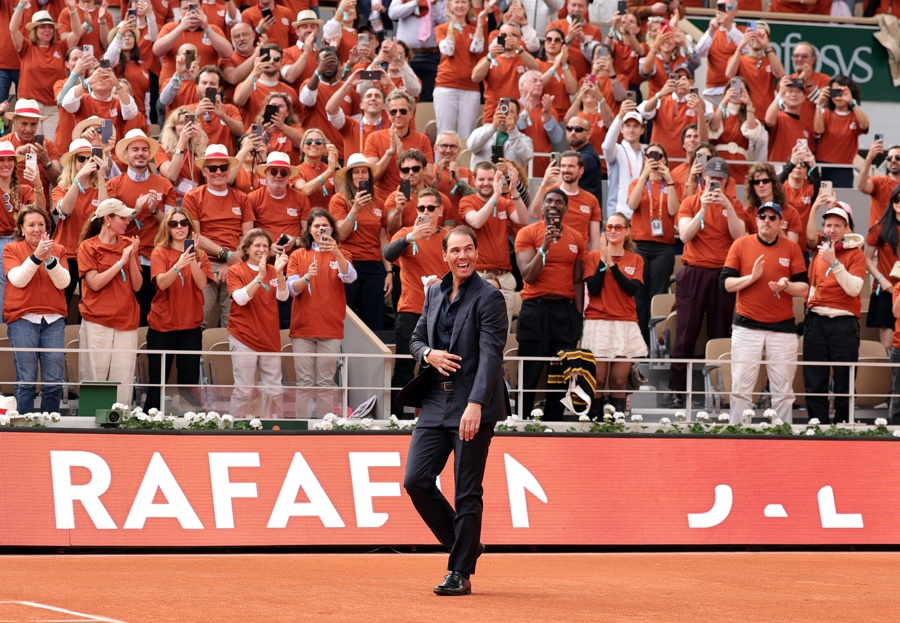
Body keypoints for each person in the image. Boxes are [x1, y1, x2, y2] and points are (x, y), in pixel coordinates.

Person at [402, 225, 508, 597]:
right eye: (455, 251)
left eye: (468, 250)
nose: (462, 256)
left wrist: (476, 404)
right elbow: (416, 339)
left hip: (471, 404)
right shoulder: (433, 292)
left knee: (466, 491)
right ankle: (466, 546)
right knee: (415, 480)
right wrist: (427, 354)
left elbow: (493, 356)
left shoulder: (490, 297)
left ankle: (459, 571)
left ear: (477, 253)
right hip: (434, 401)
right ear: (445, 255)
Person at [668, 157, 747, 409]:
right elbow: (684, 235)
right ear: (705, 179)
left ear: (726, 181)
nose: (715, 183)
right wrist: (702, 209)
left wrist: (728, 207)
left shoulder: (735, 204)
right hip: (694, 272)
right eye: (712, 178)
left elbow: (740, 237)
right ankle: (677, 391)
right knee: (685, 334)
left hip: (723, 273)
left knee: (720, 334)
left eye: (720, 179)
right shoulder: (690, 202)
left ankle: (722, 393)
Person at [722, 200, 808, 423]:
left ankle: (782, 434)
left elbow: (804, 288)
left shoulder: (791, 247)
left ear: (781, 222)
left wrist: (785, 286)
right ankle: (738, 433)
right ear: (756, 220)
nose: (767, 221)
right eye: (763, 217)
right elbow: (726, 284)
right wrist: (751, 278)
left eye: (772, 217)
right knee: (741, 386)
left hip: (782, 327)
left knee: (783, 391)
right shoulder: (741, 244)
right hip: (747, 325)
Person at [514, 188, 586, 421]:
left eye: (558, 202)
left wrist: (578, 315)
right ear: (542, 207)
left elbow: (577, 281)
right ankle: (522, 421)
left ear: (566, 208)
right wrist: (544, 246)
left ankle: (554, 422)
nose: (553, 205)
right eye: (549, 201)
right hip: (535, 309)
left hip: (564, 312)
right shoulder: (527, 233)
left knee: (561, 373)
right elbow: (528, 276)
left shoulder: (576, 238)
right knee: (531, 371)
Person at [383, 188, 449, 418]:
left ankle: (428, 418)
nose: (426, 212)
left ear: (440, 210)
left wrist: (442, 281)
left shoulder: (448, 236)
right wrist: (411, 236)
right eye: (421, 208)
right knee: (403, 367)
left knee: (433, 369)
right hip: (411, 310)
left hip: (442, 312)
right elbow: (388, 254)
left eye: (431, 208)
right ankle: (396, 419)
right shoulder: (405, 233)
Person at [287, 208, 357, 418]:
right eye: (316, 226)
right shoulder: (298, 254)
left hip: (331, 327)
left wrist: (335, 252)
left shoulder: (342, 253)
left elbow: (350, 277)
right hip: (302, 328)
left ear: (332, 229)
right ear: (309, 229)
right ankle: (302, 426)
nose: (320, 229)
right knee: (305, 383)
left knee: (326, 383)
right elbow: (292, 289)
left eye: (324, 225)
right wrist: (307, 277)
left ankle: (325, 428)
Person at [108, 129, 179, 326]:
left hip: (154, 260)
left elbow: (173, 225)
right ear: (126, 154)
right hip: (123, 259)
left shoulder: (165, 185)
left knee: (150, 316)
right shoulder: (114, 184)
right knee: (124, 315)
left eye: (144, 150)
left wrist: (155, 211)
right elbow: (110, 225)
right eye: (135, 149)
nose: (140, 154)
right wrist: (136, 211)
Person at [3, 205, 69, 414]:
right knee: (26, 379)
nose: (36, 229)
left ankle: (51, 424)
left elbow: (64, 283)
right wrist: (36, 257)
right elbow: (18, 280)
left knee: (54, 380)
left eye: (41, 224)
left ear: (47, 228)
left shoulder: (58, 250)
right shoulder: (11, 249)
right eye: (31, 224)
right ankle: (24, 427)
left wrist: (49, 258)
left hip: (53, 319)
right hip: (22, 319)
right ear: (21, 229)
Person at [804, 204, 865, 424]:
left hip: (844, 322)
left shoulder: (856, 255)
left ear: (846, 228)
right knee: (814, 379)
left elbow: (854, 289)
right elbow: (812, 286)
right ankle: (816, 425)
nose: (831, 229)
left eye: (837, 225)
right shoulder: (818, 253)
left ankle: (844, 426)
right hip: (817, 320)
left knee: (845, 380)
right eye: (828, 225)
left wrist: (835, 262)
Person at [145, 207, 212, 411]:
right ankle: (149, 419)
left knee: (189, 381)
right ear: (168, 228)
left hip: (190, 325)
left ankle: (191, 421)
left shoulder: (201, 255)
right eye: (174, 224)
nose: (179, 227)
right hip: (162, 325)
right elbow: (162, 283)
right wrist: (178, 265)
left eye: (183, 223)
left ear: (190, 227)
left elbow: (201, 284)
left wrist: (191, 259)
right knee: (158, 380)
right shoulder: (160, 252)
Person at [77, 198, 143, 405]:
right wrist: (121, 261)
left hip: (127, 320)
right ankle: (91, 429)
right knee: (95, 379)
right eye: (122, 218)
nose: (127, 222)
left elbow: (137, 286)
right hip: (97, 320)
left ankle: (121, 428)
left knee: (123, 382)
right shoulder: (87, 247)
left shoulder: (128, 244)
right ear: (108, 219)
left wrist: (131, 256)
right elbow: (95, 283)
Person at [182, 143, 254, 328]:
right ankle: (197, 357)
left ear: (229, 170)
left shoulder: (242, 198)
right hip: (203, 260)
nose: (218, 172)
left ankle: (228, 358)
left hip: (236, 261)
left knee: (234, 321)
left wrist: (230, 261)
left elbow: (248, 237)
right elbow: (195, 235)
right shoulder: (192, 197)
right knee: (199, 317)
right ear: (204, 171)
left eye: (223, 167)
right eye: (212, 168)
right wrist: (226, 255)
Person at [582, 212, 646, 416]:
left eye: (618, 227)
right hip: (598, 321)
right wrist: (603, 259)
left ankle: (617, 424)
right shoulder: (593, 258)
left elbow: (631, 289)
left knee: (618, 380)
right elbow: (593, 288)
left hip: (624, 322)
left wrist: (612, 265)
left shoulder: (635, 259)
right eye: (609, 227)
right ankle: (594, 425)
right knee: (598, 380)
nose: (613, 231)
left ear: (627, 231)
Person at [226, 228, 289, 417]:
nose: (262, 249)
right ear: (246, 249)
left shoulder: (273, 270)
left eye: (265, 246)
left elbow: (283, 297)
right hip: (243, 336)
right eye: (257, 245)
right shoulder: (235, 270)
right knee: (244, 389)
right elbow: (241, 299)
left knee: (274, 389)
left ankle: (275, 428)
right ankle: (234, 430)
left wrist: (278, 274)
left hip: (269, 337)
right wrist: (260, 277)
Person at [459, 161, 529, 325]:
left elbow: (523, 220)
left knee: (501, 329)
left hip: (503, 276)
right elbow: (476, 221)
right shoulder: (467, 201)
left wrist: (513, 191)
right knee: (474, 327)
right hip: (477, 275)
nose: (486, 183)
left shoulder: (505, 202)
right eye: (481, 179)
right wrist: (496, 196)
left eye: (490, 179)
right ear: (474, 180)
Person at [247, 150, 311, 328]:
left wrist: (295, 241)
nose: (278, 176)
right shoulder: (253, 198)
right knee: (262, 315)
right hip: (262, 265)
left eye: (283, 172)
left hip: (292, 267)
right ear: (266, 174)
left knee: (287, 317)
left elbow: (308, 236)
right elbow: (246, 236)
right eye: (273, 171)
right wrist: (266, 250)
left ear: (289, 175)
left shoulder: (301, 199)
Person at [329, 153, 390, 332]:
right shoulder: (339, 200)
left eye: (364, 172)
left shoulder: (379, 203)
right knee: (347, 316)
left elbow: (382, 238)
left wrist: (388, 271)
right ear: (349, 176)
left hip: (374, 266)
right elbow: (340, 234)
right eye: (356, 172)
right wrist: (354, 209)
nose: (361, 176)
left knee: (373, 317)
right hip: (348, 263)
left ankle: (371, 360)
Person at [627, 143, 679, 345]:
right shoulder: (637, 183)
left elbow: (674, 211)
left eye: (658, 156)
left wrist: (671, 180)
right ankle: (637, 343)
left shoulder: (670, 185)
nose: (654, 159)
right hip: (639, 245)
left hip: (663, 247)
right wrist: (644, 176)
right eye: (649, 156)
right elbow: (631, 204)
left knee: (657, 296)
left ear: (665, 160)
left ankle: (654, 343)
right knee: (638, 296)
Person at [9, 4, 83, 140]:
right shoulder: (26, 47)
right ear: (35, 30)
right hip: (30, 107)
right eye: (43, 27)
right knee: (29, 146)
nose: (47, 30)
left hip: (53, 108)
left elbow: (77, 33)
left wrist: (73, 9)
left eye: (50, 27)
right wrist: (21, 4)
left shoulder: (61, 47)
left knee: (50, 147)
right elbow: (13, 29)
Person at [51, 138, 107, 314]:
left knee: (90, 307)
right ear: (73, 163)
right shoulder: (60, 189)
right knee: (61, 305)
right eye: (80, 159)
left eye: (89, 159)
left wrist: (101, 176)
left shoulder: (101, 188)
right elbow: (65, 210)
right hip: (66, 254)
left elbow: (105, 213)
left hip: (92, 256)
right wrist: (78, 181)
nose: (85, 163)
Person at [364, 89, 433, 202]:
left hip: (415, 201)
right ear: (387, 113)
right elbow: (370, 179)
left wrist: (403, 156)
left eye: (403, 111)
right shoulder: (374, 138)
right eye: (393, 112)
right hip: (383, 201)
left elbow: (429, 180)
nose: (398, 115)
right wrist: (390, 152)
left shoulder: (422, 140)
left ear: (411, 113)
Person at [434, 0, 487, 138]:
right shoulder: (442, 28)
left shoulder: (474, 29)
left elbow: (477, 48)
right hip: (446, 85)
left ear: (469, 6)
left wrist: (480, 21)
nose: (460, 5)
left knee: (466, 134)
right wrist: (452, 23)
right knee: (444, 133)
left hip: (470, 87)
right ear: (449, 6)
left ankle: (463, 160)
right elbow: (448, 50)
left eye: (463, 2)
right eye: (456, 2)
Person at [530, 151, 601, 249]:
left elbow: (595, 241)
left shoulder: (591, 200)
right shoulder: (548, 192)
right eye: (563, 166)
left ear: (581, 170)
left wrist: (594, 262)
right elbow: (535, 214)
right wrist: (544, 183)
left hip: (578, 257)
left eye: (571, 166)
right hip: (550, 252)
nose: (566, 170)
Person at [814, 76, 869, 189]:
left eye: (841, 92)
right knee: (820, 202)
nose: (838, 96)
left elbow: (865, 125)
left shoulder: (855, 115)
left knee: (842, 203)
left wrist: (851, 102)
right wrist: (819, 104)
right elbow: (818, 130)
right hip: (822, 166)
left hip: (844, 168)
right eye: (834, 92)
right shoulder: (826, 113)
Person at [724, 22, 784, 123]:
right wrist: (741, 45)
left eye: (761, 35)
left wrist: (766, 46)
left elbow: (780, 74)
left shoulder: (770, 60)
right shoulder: (740, 59)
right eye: (753, 35)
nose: (757, 38)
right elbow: (729, 74)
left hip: (766, 117)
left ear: (768, 39)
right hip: (743, 118)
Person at [388, 0, 447, 102]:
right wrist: (415, 3)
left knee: (428, 96)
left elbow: (447, 22)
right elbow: (393, 14)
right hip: (407, 55)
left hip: (432, 55)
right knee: (405, 94)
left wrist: (434, 5)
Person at [865, 186, 900, 351]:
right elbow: (867, 258)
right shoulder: (880, 227)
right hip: (886, 289)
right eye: (897, 199)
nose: (899, 203)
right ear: (893, 203)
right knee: (887, 344)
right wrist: (881, 279)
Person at [601, 102, 645, 217]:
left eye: (636, 126)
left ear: (642, 130)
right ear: (621, 129)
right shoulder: (616, 150)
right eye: (627, 125)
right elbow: (606, 145)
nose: (631, 130)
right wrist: (619, 117)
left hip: (641, 213)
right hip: (618, 212)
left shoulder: (648, 151)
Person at [156, 106, 209, 200]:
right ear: (173, 127)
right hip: (173, 199)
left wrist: (198, 144)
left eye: (188, 123)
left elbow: (208, 175)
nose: (185, 127)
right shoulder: (162, 148)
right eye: (181, 123)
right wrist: (181, 144)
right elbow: (171, 175)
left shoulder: (201, 147)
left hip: (198, 198)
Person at [466, 99, 534, 169]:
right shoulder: (480, 131)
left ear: (517, 118)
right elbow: (472, 147)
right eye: (504, 109)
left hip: (508, 179)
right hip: (482, 178)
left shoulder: (524, 139)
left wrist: (513, 132)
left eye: (511, 112)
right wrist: (493, 127)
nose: (506, 114)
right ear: (496, 112)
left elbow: (526, 157)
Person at [744, 163, 802, 243]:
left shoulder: (791, 212)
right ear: (752, 186)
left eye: (765, 181)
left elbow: (792, 248)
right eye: (756, 182)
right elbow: (745, 245)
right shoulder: (746, 212)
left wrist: (775, 226)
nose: (761, 185)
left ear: (773, 183)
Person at [764, 77, 815, 162]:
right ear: (783, 97)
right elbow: (768, 121)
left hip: (797, 171)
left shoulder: (807, 127)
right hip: (778, 171)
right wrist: (780, 93)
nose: (794, 94)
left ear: (804, 98)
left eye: (798, 92)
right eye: (790, 91)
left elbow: (811, 155)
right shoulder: (778, 117)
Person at [859, 138, 900, 229]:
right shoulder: (879, 182)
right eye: (889, 158)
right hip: (879, 239)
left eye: (898, 157)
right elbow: (862, 186)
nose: (893, 160)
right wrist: (869, 158)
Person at [294, 128, 339, 210]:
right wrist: (329, 171)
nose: (313, 144)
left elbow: (342, 192)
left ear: (324, 149)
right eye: (308, 142)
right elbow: (305, 190)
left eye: (318, 142)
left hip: (328, 219)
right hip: (307, 220)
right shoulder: (296, 171)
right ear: (303, 148)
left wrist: (336, 163)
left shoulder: (333, 168)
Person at [564, 115, 603, 204]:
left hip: (585, 213)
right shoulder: (576, 154)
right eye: (569, 128)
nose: (573, 132)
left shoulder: (588, 158)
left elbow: (560, 183)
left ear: (588, 134)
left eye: (578, 129)